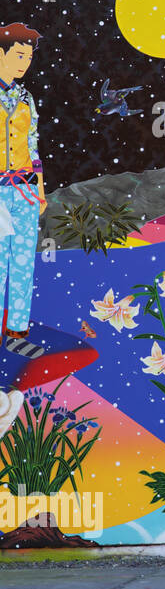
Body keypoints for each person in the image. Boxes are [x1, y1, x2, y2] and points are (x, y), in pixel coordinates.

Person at [0, 23, 46, 361]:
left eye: (28, 57)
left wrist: (41, 190)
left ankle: (16, 332)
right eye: (18, 55)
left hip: (26, 191)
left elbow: (33, 145)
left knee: (22, 262)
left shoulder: (26, 97)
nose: (24, 63)